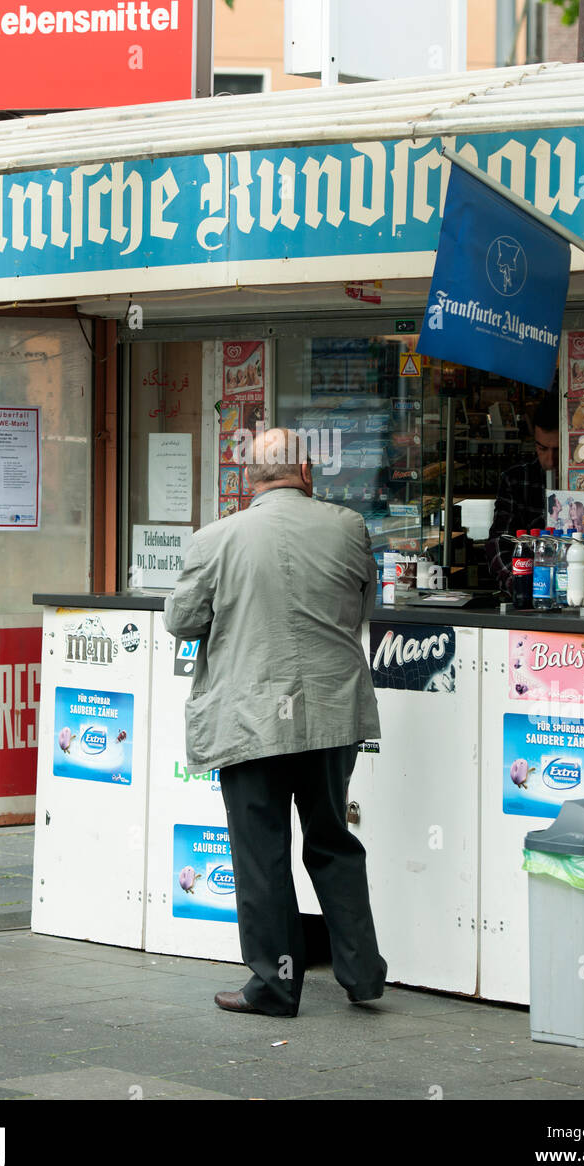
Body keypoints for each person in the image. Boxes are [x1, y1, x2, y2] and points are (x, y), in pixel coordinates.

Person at [163, 426, 387, 1017]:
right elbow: (364, 607)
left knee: (261, 853)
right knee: (332, 840)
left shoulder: (214, 539)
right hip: (330, 714)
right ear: (306, 474)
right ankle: (362, 975)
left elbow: (182, 621)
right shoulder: (348, 527)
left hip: (250, 719)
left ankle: (275, 985)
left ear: (247, 482)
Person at [486, 394, 560, 596]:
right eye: (542, 448)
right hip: (528, 591)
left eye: (558, 450)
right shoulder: (517, 480)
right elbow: (499, 543)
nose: (550, 460)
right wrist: (519, 584)